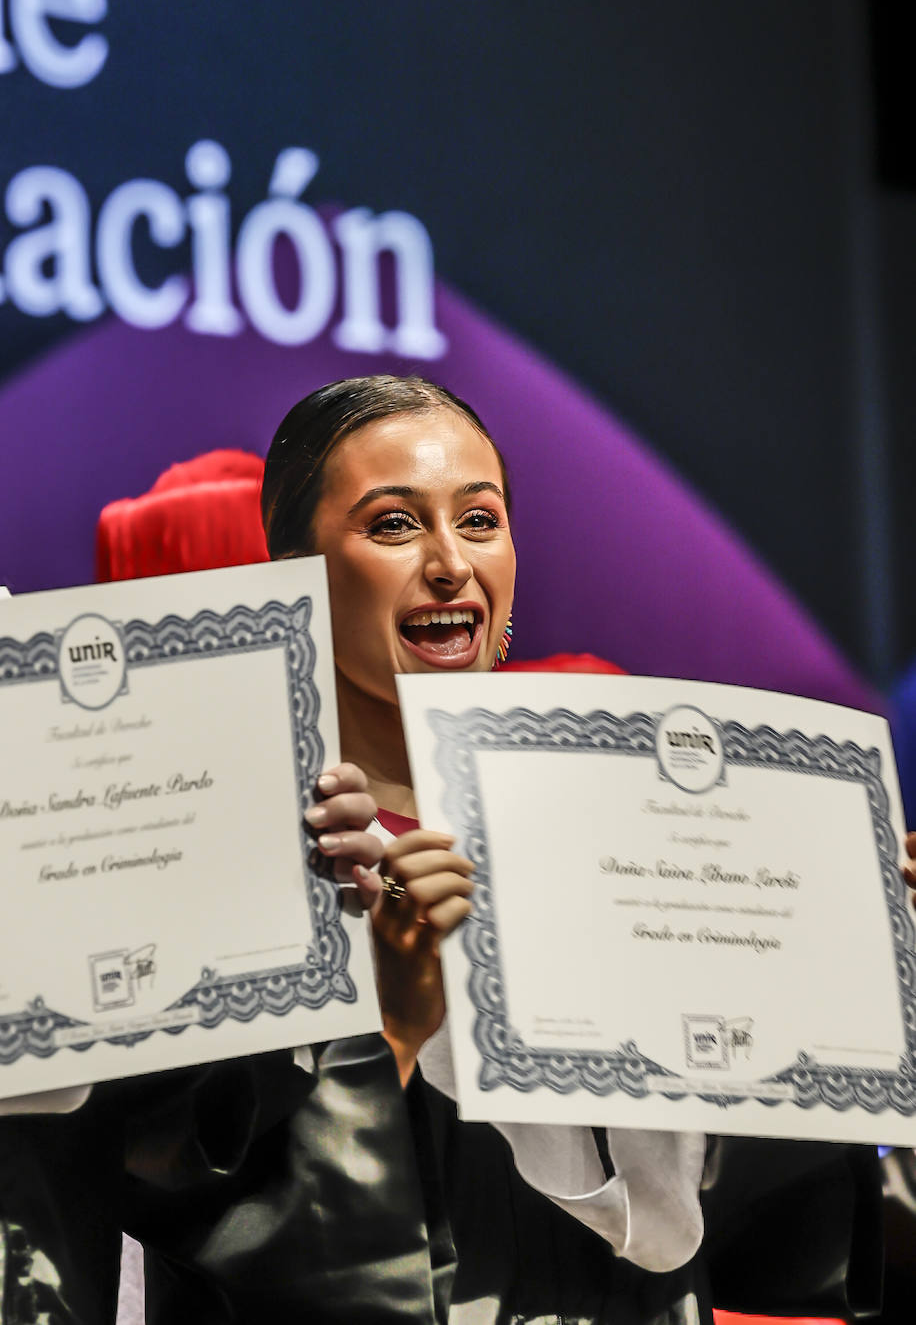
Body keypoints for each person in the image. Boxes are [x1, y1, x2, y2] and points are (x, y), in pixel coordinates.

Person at [0, 377, 885, 1322]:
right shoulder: (213, 842)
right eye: (393, 525)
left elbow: (767, 1233)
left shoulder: (626, 841)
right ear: (294, 568)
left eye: (479, 520)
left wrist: (860, 974)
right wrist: (390, 1034)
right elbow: (142, 1173)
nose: (450, 562)